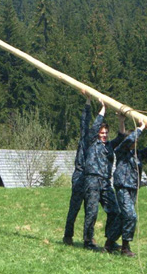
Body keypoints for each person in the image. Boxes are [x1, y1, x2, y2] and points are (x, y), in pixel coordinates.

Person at [83, 99, 126, 252]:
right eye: (102, 133)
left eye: (106, 133)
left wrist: (121, 120)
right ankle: (88, 241)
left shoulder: (109, 146)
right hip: (92, 180)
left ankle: (111, 240)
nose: (104, 135)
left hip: (105, 182)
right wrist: (103, 108)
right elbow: (94, 127)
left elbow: (121, 137)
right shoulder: (92, 141)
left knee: (115, 211)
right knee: (92, 211)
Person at [114, 120, 147, 257]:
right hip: (122, 187)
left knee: (123, 217)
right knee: (131, 216)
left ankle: (109, 243)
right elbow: (129, 140)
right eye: (133, 140)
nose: (134, 142)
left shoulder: (137, 154)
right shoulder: (121, 150)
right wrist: (141, 128)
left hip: (133, 188)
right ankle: (125, 247)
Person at [63, 93, 92, 246]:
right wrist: (88, 102)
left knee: (90, 210)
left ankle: (88, 238)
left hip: (91, 179)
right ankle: (68, 236)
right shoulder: (84, 139)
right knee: (74, 208)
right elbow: (84, 123)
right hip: (80, 176)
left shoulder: (97, 144)